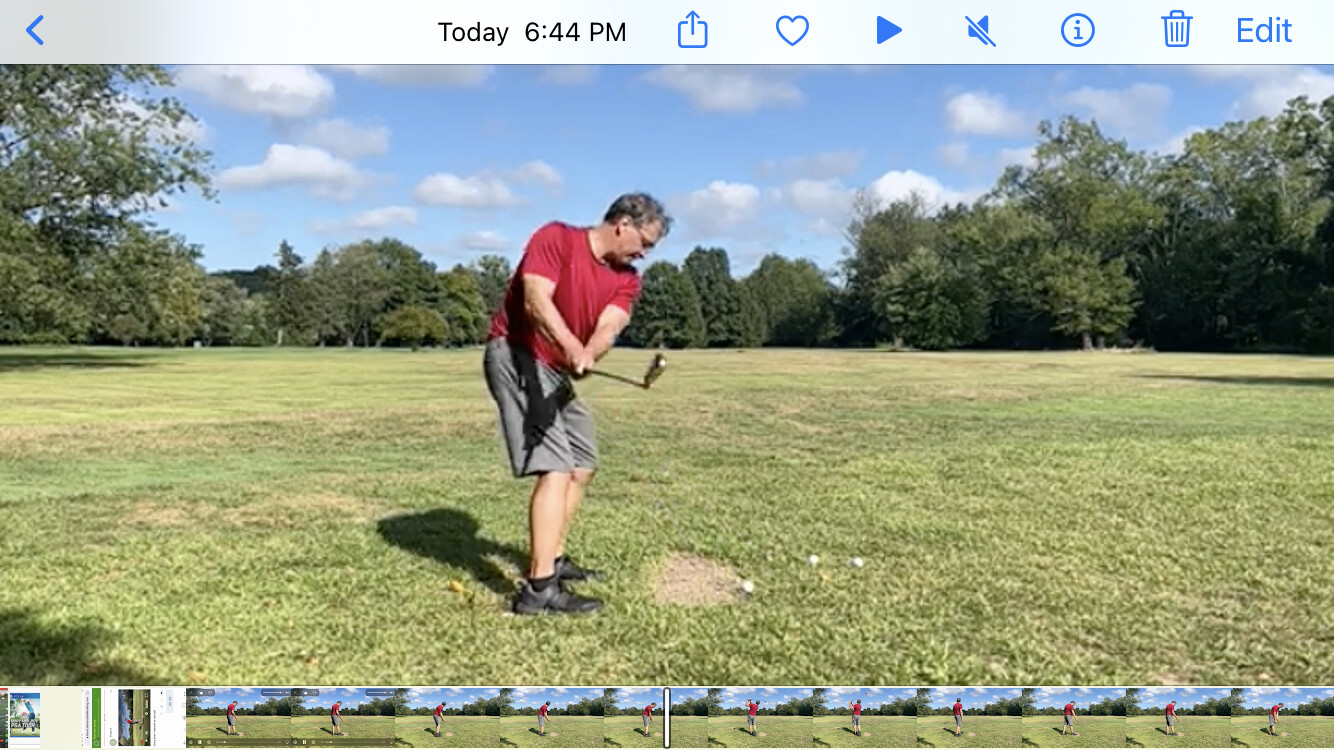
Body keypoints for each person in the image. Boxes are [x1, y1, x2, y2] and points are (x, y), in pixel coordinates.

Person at [483, 193, 672, 616]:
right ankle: (538, 590)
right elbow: (535, 300)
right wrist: (571, 346)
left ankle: (553, 556)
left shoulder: (627, 278)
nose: (645, 252)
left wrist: (589, 351)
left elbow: (610, 325)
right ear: (623, 224)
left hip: (555, 369)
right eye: (645, 242)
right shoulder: (557, 238)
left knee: (582, 462)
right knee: (555, 467)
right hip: (517, 353)